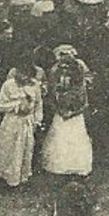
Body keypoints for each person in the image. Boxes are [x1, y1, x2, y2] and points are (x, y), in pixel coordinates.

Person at [42, 46, 93, 177]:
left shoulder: (79, 70)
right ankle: (59, 165)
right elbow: (52, 91)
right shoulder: (55, 71)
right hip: (61, 109)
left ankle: (77, 165)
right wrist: (60, 107)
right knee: (59, 135)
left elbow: (83, 92)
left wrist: (74, 109)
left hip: (75, 109)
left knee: (76, 136)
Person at [0, 66, 43, 188]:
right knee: (9, 147)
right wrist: (17, 105)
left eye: (27, 74)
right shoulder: (8, 85)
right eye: (21, 73)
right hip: (12, 121)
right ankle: (5, 176)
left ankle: (21, 177)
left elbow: (39, 104)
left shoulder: (34, 86)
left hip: (27, 122)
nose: (24, 76)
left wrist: (37, 121)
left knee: (25, 148)